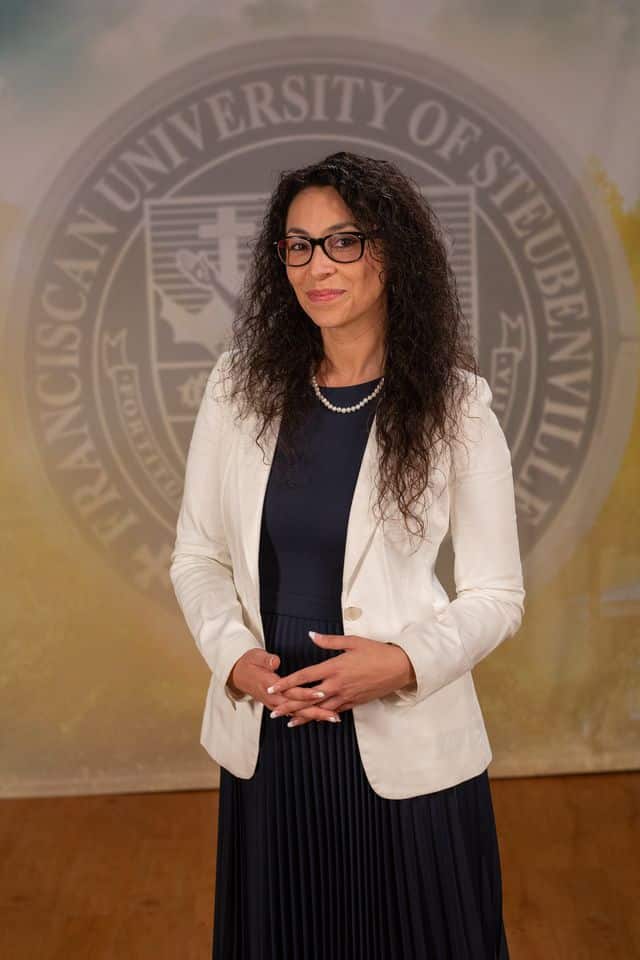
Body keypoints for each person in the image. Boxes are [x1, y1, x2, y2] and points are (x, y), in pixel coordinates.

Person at [170, 150, 525, 959]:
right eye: (298, 246)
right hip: (273, 730)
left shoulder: (458, 407)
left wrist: (400, 663)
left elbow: (498, 594)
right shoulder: (236, 388)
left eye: (342, 241)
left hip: (405, 736)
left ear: (390, 252)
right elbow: (197, 556)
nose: (316, 266)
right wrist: (233, 660)